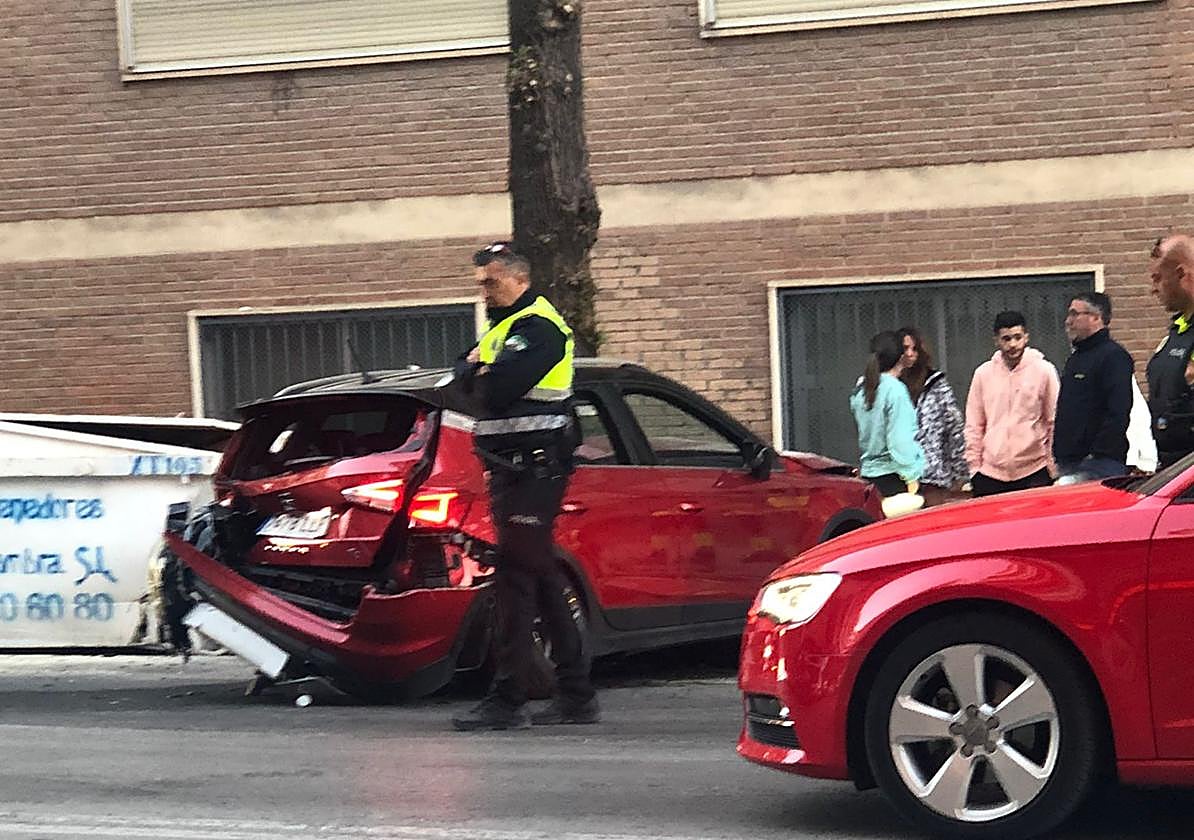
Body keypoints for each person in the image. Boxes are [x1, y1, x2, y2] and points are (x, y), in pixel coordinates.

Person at [451, 241, 598, 731]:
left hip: (536, 469)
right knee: (538, 573)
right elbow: (460, 383)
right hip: (510, 469)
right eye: (480, 284)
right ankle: (576, 693)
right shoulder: (503, 330)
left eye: (491, 282)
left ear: (519, 279)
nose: (484, 291)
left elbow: (490, 391)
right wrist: (476, 371)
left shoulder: (540, 329)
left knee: (517, 577)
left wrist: (478, 371)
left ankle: (508, 699)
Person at [964, 311, 1060, 496]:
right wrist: (974, 468)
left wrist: (1051, 467)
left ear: (1026, 337)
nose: (1012, 344)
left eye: (1017, 337)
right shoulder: (983, 374)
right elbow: (974, 425)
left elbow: (1053, 420)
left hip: (1034, 469)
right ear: (996, 340)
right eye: (1006, 339)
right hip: (990, 473)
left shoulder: (1044, 371)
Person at [1052, 292, 1134, 482]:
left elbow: (1119, 410)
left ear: (1096, 317)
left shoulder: (1113, 357)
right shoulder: (1076, 359)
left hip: (1098, 464)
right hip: (1069, 461)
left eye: (1074, 314)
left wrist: (1098, 453)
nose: (1068, 321)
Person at [895, 327, 968, 506]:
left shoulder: (937, 384)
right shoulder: (890, 387)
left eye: (914, 349)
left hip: (932, 476)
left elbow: (954, 427)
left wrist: (960, 471)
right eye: (905, 349)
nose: (910, 354)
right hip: (898, 476)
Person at [849, 331, 925, 499]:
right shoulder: (895, 390)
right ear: (900, 357)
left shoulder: (861, 389)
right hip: (895, 477)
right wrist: (913, 474)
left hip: (869, 476)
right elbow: (900, 441)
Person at [1146, 234, 1194, 468]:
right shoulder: (1179, 330)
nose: (1153, 289)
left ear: (1181, 275)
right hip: (1173, 476)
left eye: (1158, 278)